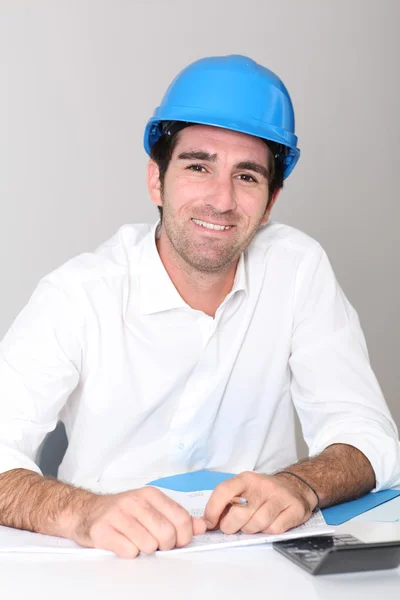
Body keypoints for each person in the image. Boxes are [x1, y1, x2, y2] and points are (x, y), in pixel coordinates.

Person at [0, 55, 399, 559]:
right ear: (156, 181)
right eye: (198, 166)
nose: (222, 199)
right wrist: (85, 513)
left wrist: (301, 484)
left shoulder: (297, 268)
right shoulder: (79, 292)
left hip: (259, 560)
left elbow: (368, 434)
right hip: (110, 565)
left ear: (271, 201)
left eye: (248, 177)